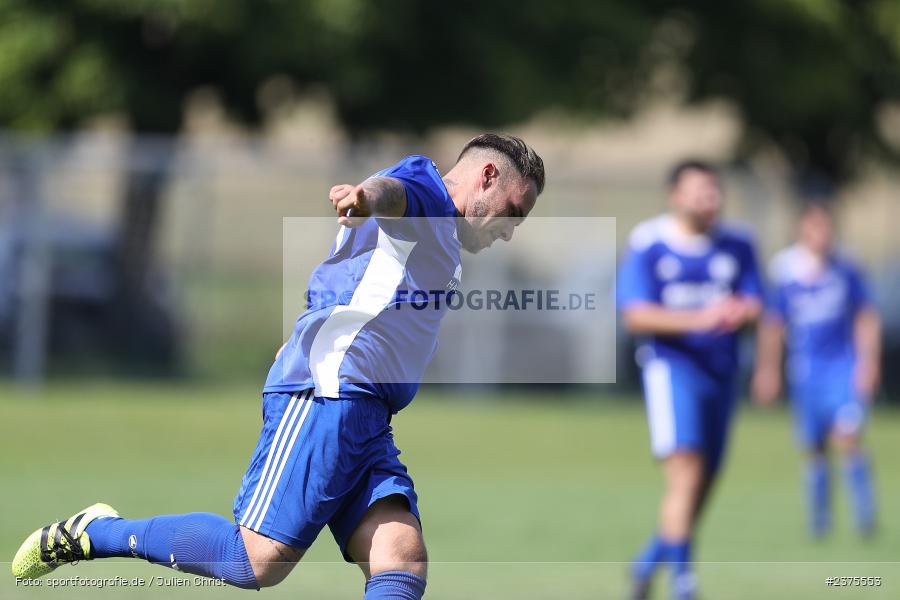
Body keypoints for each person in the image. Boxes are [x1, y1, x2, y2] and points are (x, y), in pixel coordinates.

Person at [12, 133, 544, 600]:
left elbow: (350, 280)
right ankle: (95, 532)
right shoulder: (426, 193)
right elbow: (395, 195)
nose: (510, 231)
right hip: (331, 392)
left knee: (400, 557)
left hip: (366, 411)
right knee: (256, 562)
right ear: (487, 176)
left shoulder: (441, 234)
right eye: (514, 212)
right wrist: (365, 196)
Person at [617, 160, 762, 600]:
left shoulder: (739, 243)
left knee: (704, 483)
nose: (711, 200)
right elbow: (636, 314)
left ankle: (645, 564)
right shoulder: (651, 243)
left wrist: (742, 312)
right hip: (671, 370)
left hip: (722, 373)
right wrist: (701, 318)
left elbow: (757, 302)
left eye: (716, 191)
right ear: (675, 195)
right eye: (702, 191)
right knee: (686, 474)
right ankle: (684, 583)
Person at [752, 201, 879, 538]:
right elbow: (772, 324)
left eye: (827, 228)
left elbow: (865, 317)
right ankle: (819, 523)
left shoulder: (846, 267)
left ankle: (865, 518)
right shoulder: (785, 270)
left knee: (849, 437)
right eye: (814, 228)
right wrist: (768, 370)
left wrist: (869, 363)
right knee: (814, 446)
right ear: (802, 230)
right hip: (805, 369)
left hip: (842, 366)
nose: (822, 235)